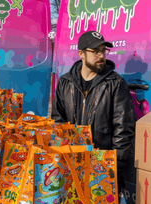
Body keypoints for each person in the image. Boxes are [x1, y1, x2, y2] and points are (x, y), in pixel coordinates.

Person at [51, 30, 135, 189]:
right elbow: (57, 122)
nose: (101, 55)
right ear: (81, 54)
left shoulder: (115, 83)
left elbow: (123, 130)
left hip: (101, 168)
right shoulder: (64, 83)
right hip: (71, 163)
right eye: (95, 51)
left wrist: (115, 168)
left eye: (103, 51)